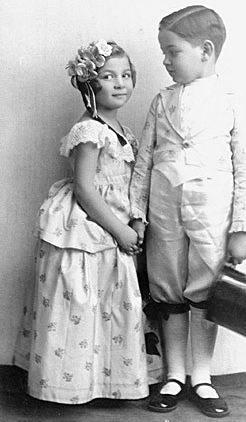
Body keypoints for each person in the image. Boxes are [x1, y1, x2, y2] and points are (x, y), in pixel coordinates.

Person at [130, 5, 246, 418]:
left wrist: (240, 227)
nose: (164, 61)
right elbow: (144, 160)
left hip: (211, 215)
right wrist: (137, 214)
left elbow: (243, 169)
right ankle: (174, 374)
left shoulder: (230, 101)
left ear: (204, 50)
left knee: (206, 290)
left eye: (171, 51)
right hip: (164, 213)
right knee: (167, 289)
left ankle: (202, 377)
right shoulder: (161, 101)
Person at [13, 39, 149, 404]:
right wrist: (119, 229)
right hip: (90, 224)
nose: (120, 83)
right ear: (90, 84)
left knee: (110, 304)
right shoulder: (89, 130)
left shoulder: (122, 129)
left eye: (126, 75)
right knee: (81, 302)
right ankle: (70, 384)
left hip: (116, 220)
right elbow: (87, 189)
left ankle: (104, 380)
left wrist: (135, 220)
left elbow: (127, 184)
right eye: (108, 76)